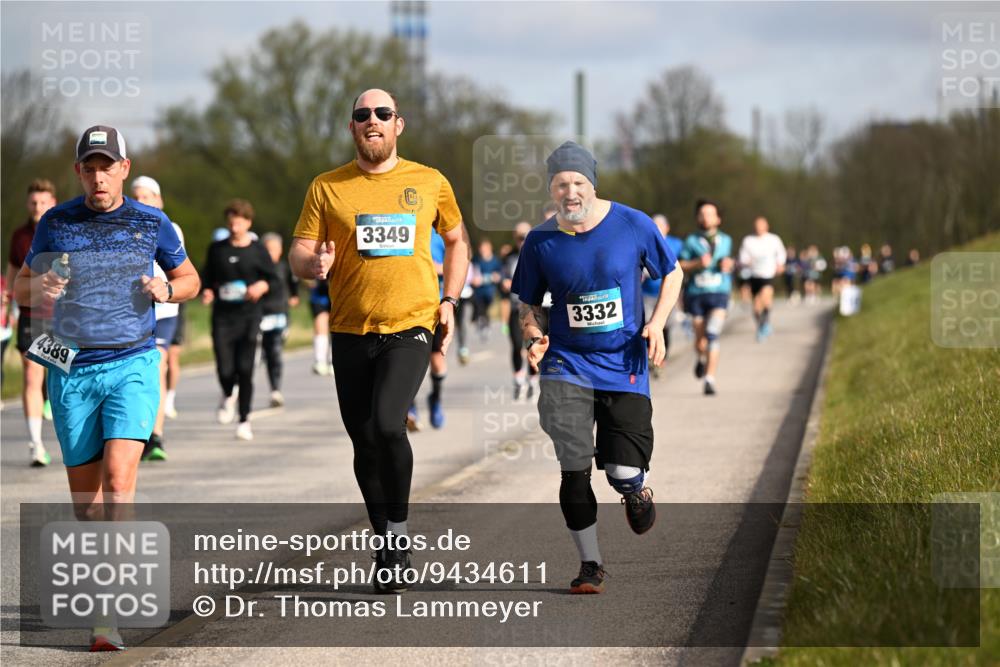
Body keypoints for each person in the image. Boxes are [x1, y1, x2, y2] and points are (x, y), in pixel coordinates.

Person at [13, 125, 199, 650]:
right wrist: (41, 285)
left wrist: (166, 288)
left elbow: (191, 280)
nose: (99, 176)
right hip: (72, 370)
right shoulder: (55, 222)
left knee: (119, 483)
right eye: (90, 167)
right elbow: (21, 288)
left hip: (132, 362)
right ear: (79, 171)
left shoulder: (151, 222)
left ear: (124, 168)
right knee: (87, 507)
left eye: (107, 166)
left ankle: (106, 613)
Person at [289, 88, 470, 591]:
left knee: (389, 423)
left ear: (397, 124)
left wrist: (450, 299)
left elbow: (457, 240)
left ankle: (400, 533)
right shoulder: (327, 187)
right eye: (362, 114)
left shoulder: (429, 181)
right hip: (350, 329)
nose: (373, 120)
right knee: (364, 440)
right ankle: (386, 542)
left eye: (382, 113)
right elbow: (299, 252)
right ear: (352, 127)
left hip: (410, 324)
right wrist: (313, 264)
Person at [512, 141, 682, 594]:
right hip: (566, 363)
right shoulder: (540, 241)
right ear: (551, 190)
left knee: (622, 471)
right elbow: (530, 304)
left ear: (592, 184)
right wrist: (534, 336)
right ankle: (590, 564)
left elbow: (673, 272)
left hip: (623, 362)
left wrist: (657, 323)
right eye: (560, 184)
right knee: (573, 467)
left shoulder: (632, 224)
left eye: (578, 183)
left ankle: (635, 491)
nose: (570, 192)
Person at [201, 199, 277, 441]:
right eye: (231, 222)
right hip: (223, 316)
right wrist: (207, 291)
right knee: (225, 369)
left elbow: (272, 278)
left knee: (245, 369)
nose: (235, 227)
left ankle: (244, 420)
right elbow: (207, 277)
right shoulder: (217, 249)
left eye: (239, 222)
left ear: (248, 223)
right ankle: (227, 393)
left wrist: (261, 286)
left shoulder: (257, 250)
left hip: (249, 315)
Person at [6, 179, 58, 466]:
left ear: (53, 203)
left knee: (60, 374)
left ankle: (52, 403)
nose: (38, 207)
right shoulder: (19, 236)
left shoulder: (63, 231)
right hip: (30, 315)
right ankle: (36, 444)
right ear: (27, 204)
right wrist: (8, 300)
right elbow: (13, 272)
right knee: (30, 374)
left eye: (43, 202)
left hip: (61, 317)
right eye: (33, 202)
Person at [131, 175, 183, 461]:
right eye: (136, 197)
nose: (141, 202)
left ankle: (156, 435)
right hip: (133, 313)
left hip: (163, 311)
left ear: (158, 200)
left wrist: (162, 288)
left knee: (158, 366)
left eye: (146, 197)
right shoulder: (123, 229)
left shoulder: (170, 228)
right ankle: (135, 432)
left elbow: (178, 273)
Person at [678, 199, 734, 396]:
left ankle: (709, 379)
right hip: (696, 294)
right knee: (700, 340)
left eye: (710, 214)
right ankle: (701, 358)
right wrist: (697, 264)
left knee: (712, 333)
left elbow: (729, 263)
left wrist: (729, 264)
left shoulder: (726, 240)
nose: (705, 217)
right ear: (697, 218)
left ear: (718, 219)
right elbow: (680, 264)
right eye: (702, 214)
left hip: (719, 292)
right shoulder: (691, 241)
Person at [259, 233, 300, 407]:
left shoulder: (284, 267)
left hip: (279, 315)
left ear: (280, 250)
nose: (271, 253)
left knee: (274, 352)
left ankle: (275, 390)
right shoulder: (257, 268)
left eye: (274, 249)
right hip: (260, 316)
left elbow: (293, 283)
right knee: (259, 354)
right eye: (268, 249)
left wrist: (294, 296)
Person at [641, 214, 684, 377]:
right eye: (654, 225)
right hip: (646, 294)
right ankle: (650, 358)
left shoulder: (676, 244)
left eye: (660, 225)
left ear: (667, 228)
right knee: (647, 327)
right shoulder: (643, 242)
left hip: (667, 295)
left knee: (665, 327)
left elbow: (683, 265)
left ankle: (661, 360)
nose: (656, 228)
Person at [501, 222, 535, 400]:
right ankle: (518, 379)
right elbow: (502, 276)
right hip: (516, 308)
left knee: (532, 346)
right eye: (519, 238)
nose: (522, 241)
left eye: (525, 237)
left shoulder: (538, 254)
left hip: (535, 309)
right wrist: (504, 282)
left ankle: (533, 379)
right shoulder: (509, 258)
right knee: (516, 345)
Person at [738, 216, 786, 342]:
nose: (759, 227)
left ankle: (765, 323)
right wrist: (747, 262)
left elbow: (781, 253)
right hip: (754, 274)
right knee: (757, 306)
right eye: (757, 225)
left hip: (768, 274)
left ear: (766, 226)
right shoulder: (748, 240)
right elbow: (742, 257)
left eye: (761, 225)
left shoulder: (774, 239)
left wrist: (780, 264)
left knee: (765, 296)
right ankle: (762, 325)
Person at [471, 238, 502, 341]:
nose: (483, 250)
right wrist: (474, 279)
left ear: (490, 248)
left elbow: (500, 274)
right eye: (481, 248)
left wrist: (495, 277)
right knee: (480, 308)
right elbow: (472, 272)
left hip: (489, 291)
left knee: (486, 309)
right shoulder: (476, 260)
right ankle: (481, 324)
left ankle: (486, 324)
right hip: (478, 291)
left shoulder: (495, 261)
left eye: (485, 248)